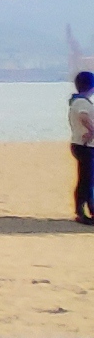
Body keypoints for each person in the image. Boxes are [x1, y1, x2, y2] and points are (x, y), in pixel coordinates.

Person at [69, 68, 93, 225]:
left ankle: (90, 209)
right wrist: (92, 131)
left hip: (82, 145)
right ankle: (80, 212)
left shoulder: (78, 101)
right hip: (84, 146)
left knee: (88, 179)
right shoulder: (82, 102)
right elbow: (83, 117)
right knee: (86, 180)